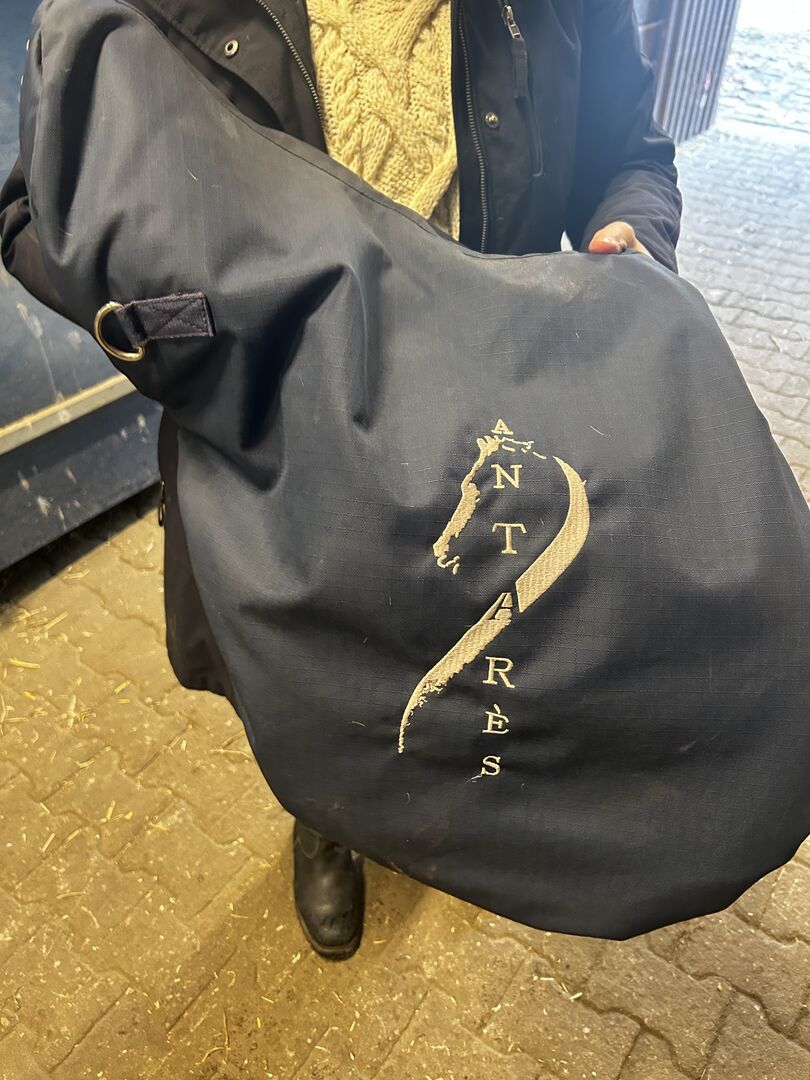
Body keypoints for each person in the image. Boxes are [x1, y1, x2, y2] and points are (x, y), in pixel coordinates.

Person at [0, 0, 682, 961]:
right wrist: (196, 329)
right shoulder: (149, 11)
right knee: (330, 663)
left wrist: (629, 235)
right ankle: (327, 812)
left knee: (472, 638)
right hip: (294, 454)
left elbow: (631, 156)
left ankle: (454, 787)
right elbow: (37, 217)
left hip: (488, 428)